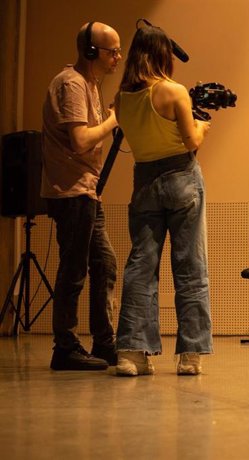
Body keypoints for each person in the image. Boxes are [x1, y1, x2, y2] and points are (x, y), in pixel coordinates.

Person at [114, 23, 212, 376]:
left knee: (141, 267)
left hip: (144, 182)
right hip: (182, 179)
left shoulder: (121, 99)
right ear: (162, 54)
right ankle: (190, 355)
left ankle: (131, 353)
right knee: (190, 267)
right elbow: (191, 143)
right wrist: (202, 127)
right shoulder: (174, 92)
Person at [41, 22, 122, 370]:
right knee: (74, 270)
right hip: (72, 192)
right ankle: (65, 347)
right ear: (92, 52)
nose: (118, 56)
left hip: (87, 190)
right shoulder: (72, 84)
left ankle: (104, 343)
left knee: (104, 264)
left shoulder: (91, 83)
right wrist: (114, 120)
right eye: (112, 50)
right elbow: (81, 140)